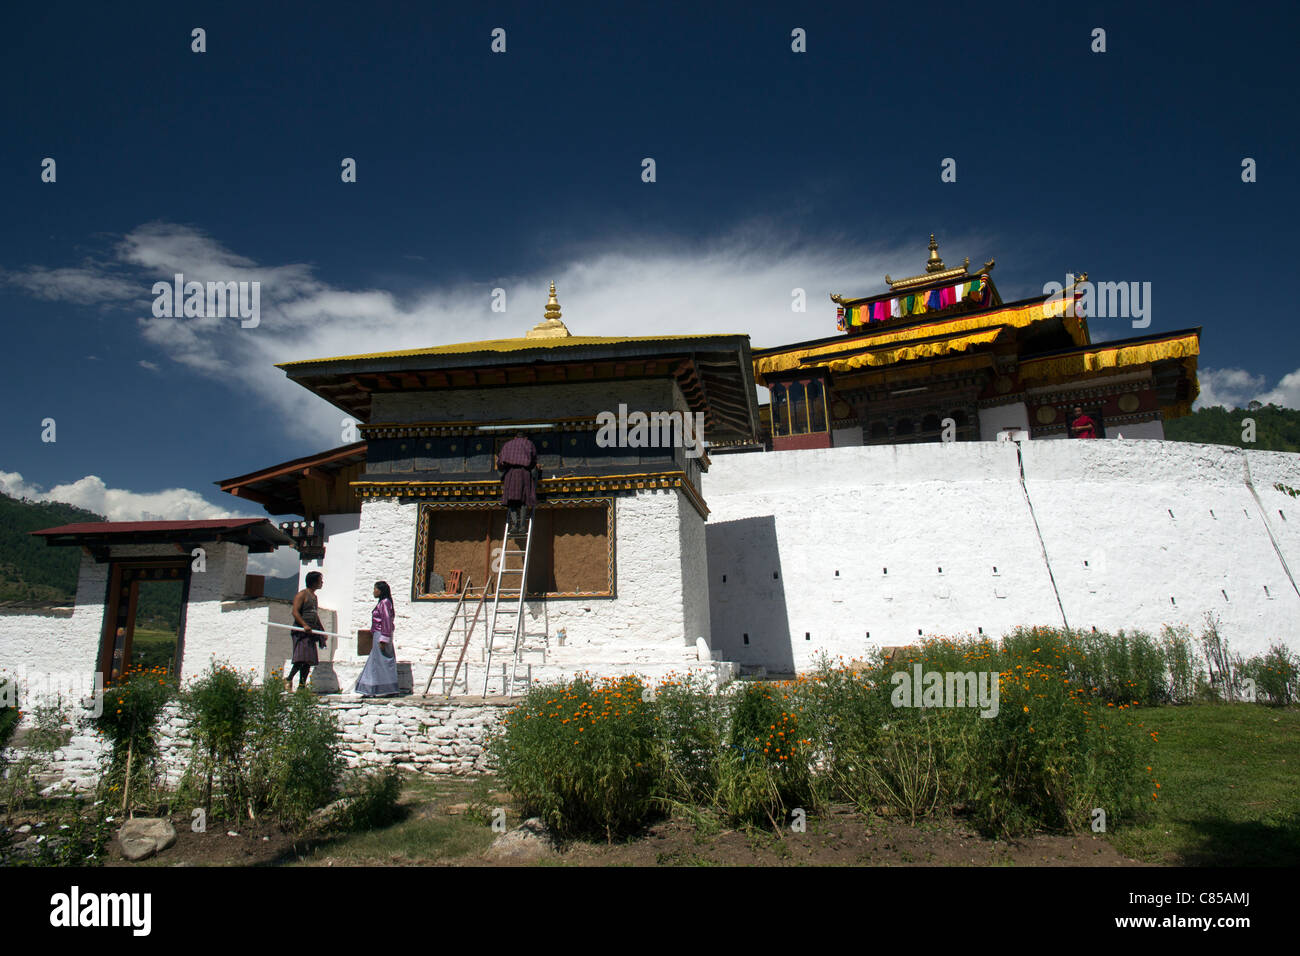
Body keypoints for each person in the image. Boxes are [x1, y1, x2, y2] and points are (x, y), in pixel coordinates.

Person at [354, 581, 400, 697]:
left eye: (375, 589)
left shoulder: (384, 603)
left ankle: (386, 688)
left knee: (382, 661)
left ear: (380, 591)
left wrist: (383, 639)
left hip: (381, 634)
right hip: (378, 634)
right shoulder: (383, 603)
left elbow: (386, 621)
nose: (374, 592)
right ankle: (374, 688)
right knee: (377, 661)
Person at [288, 571, 327, 691]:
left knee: (308, 660)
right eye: (320, 580)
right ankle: (289, 679)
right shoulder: (302, 595)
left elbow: (315, 615)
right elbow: (295, 612)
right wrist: (304, 625)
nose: (322, 583)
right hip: (301, 631)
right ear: (314, 582)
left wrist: (321, 630)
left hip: (311, 632)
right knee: (301, 657)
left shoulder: (314, 597)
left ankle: (301, 685)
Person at [497, 431, 539, 534]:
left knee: (512, 501)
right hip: (524, 473)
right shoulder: (529, 443)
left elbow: (500, 461)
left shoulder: (508, 444)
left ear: (515, 437)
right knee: (523, 500)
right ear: (525, 437)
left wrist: (502, 471)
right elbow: (533, 459)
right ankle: (522, 527)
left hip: (510, 474)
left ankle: (514, 525)